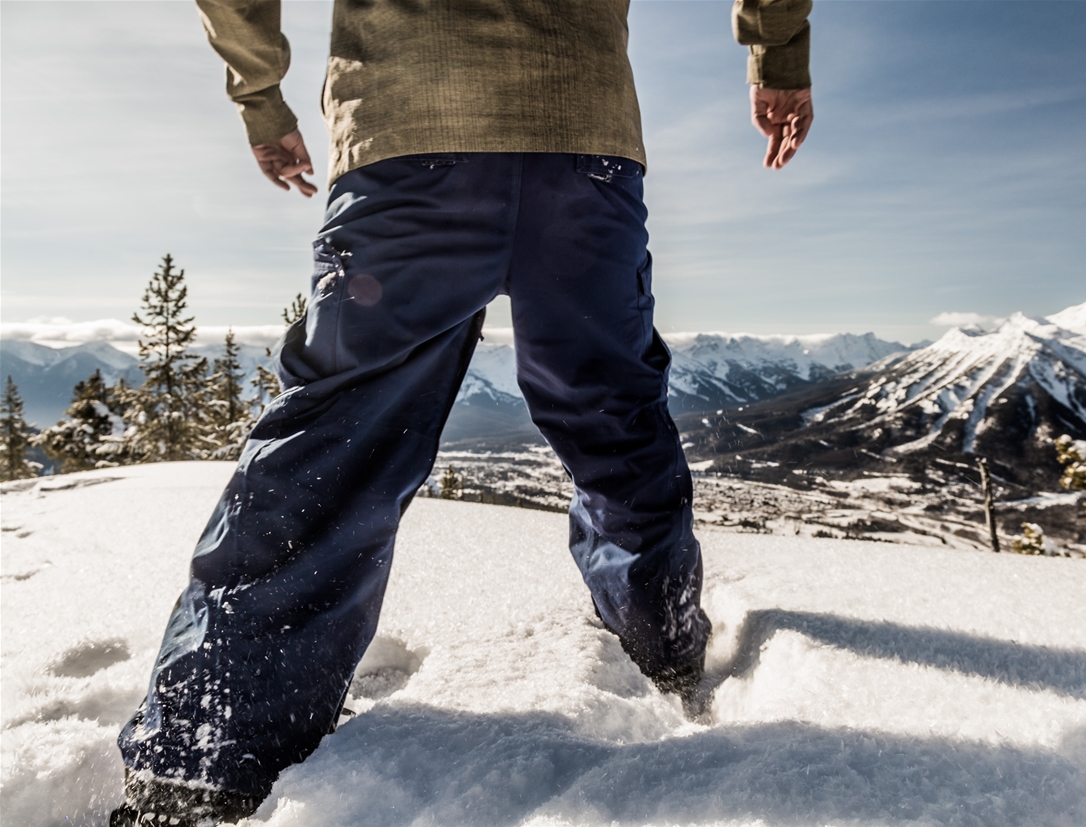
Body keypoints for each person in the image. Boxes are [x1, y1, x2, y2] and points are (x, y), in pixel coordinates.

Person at [112, 1, 812, 823]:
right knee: (613, 411)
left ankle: (208, 754)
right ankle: (662, 644)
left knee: (341, 434)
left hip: (407, 132)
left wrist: (262, 97)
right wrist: (780, 56)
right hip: (581, 139)